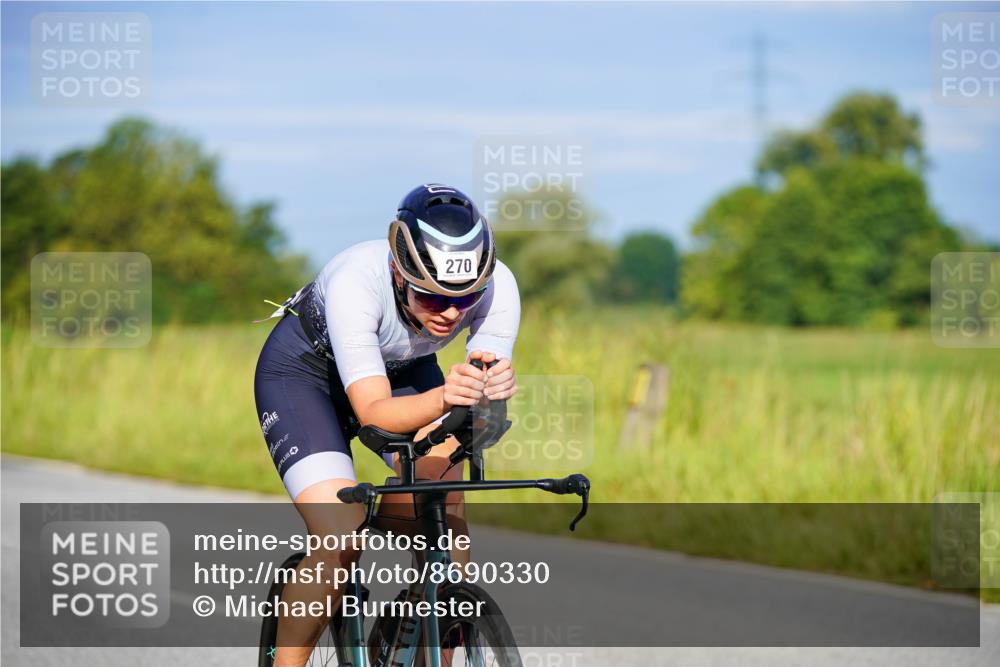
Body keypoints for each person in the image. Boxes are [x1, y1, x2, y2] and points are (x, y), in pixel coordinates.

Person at [253, 183, 520, 666]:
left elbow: (476, 409)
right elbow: (373, 410)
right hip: (307, 378)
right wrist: (445, 395)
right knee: (341, 534)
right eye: (433, 300)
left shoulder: (499, 285)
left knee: (444, 502)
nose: (453, 313)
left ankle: (424, 641)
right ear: (399, 272)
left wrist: (490, 397)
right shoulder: (358, 280)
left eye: (466, 297)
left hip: (404, 371)